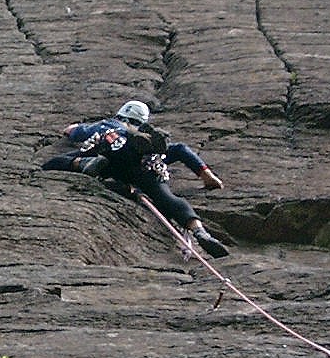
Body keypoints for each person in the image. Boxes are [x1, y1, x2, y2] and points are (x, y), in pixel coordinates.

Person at [42, 99, 231, 258]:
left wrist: (73, 129)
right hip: (147, 166)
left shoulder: (108, 125)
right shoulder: (146, 139)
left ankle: (82, 164)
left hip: (111, 159)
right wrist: (208, 176)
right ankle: (199, 231)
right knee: (168, 199)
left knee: (57, 161)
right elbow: (181, 149)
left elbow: (72, 131)